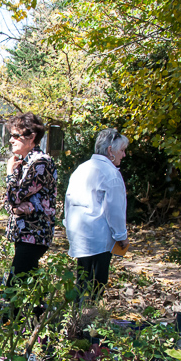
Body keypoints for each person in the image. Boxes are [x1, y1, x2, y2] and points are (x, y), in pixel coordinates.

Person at [64, 128, 129, 300]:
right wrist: (121, 236)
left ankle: (76, 317)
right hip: (99, 237)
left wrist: (67, 225)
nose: (123, 155)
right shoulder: (111, 174)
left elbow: (69, 200)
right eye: (121, 150)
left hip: (79, 232)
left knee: (82, 279)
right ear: (110, 151)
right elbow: (114, 210)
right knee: (96, 283)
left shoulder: (82, 168)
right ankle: (88, 320)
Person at [4, 112, 58, 286]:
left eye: (15, 136)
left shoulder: (40, 163)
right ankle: (38, 311)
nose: (11, 140)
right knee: (28, 285)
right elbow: (9, 202)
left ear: (31, 137)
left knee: (15, 284)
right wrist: (15, 209)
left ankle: (12, 314)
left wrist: (9, 174)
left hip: (34, 235)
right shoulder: (23, 162)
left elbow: (14, 195)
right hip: (23, 234)